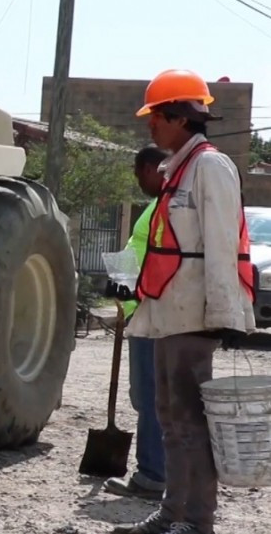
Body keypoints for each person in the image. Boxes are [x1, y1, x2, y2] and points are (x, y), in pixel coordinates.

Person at [112, 69, 255, 534]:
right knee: (171, 418)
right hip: (169, 312)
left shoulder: (210, 168)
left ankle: (198, 522)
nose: (150, 125)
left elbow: (220, 246)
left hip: (193, 315)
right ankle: (173, 514)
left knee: (191, 422)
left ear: (178, 117)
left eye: (156, 116)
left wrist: (224, 313)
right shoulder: (181, 169)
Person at [104, 145, 170, 501]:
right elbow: (144, 252)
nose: (136, 179)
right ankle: (159, 472)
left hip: (151, 313)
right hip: (142, 308)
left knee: (150, 397)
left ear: (150, 168)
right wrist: (121, 281)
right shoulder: (159, 205)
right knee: (145, 396)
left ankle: (152, 476)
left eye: (137, 172)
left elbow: (161, 261)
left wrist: (135, 288)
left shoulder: (167, 205)